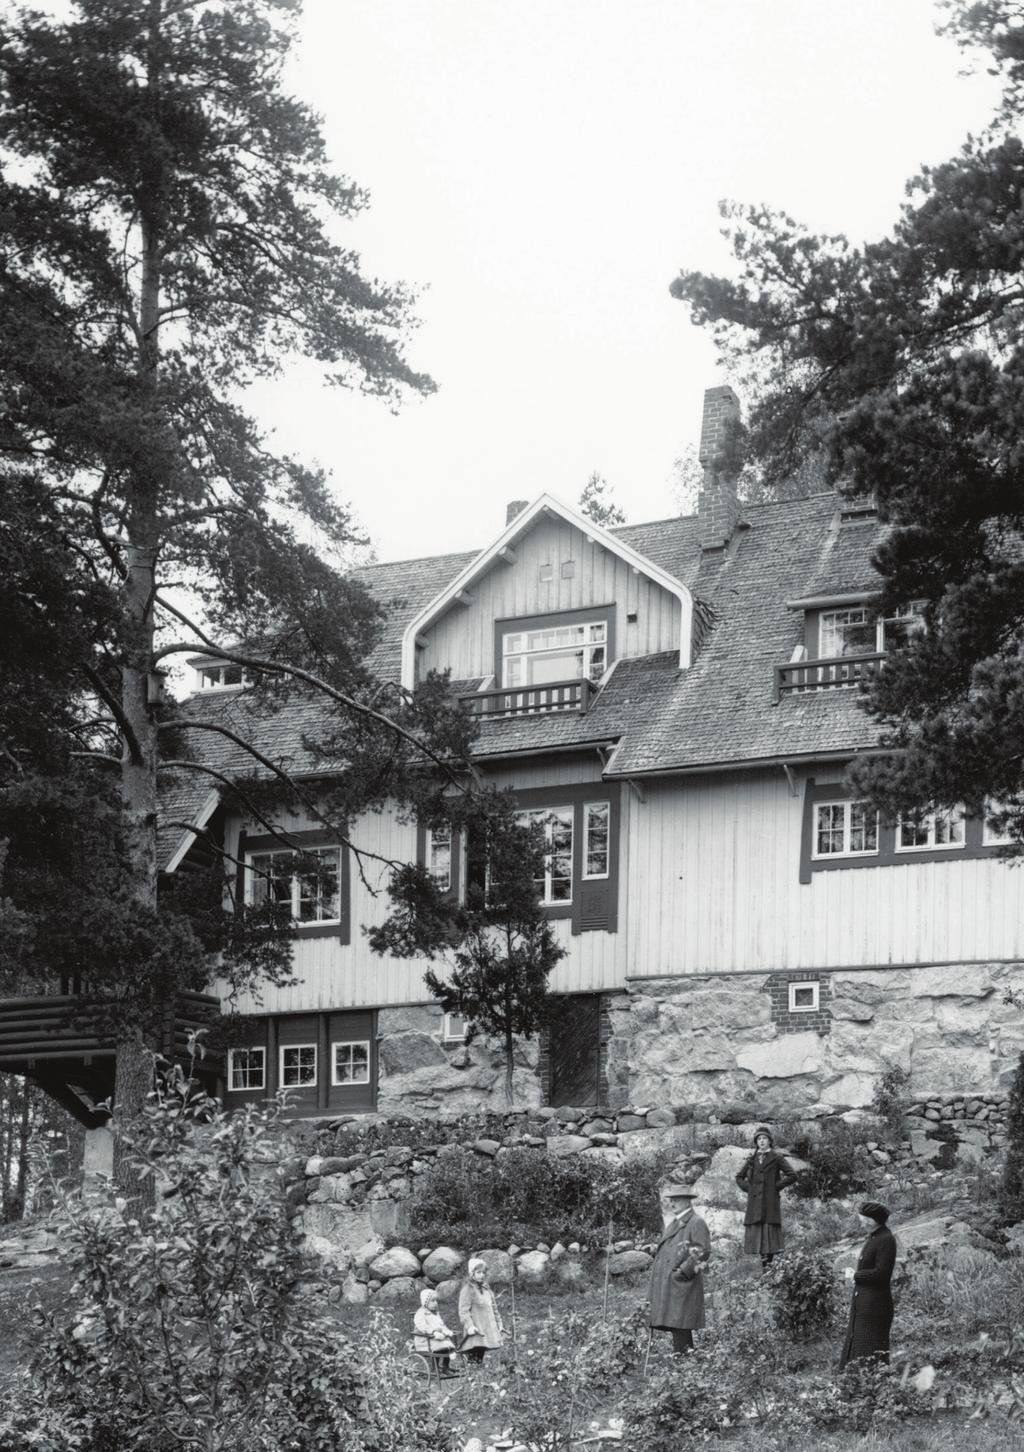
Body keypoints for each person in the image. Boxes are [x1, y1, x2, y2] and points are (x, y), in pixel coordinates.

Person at [648, 1181, 712, 1356]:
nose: (672, 1203)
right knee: (676, 1320)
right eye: (671, 1200)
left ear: (687, 1201)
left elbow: (702, 1250)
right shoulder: (677, 1222)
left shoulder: (695, 1222)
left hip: (683, 1280)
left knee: (680, 1319)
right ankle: (683, 1357)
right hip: (671, 1280)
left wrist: (683, 1272)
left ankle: (684, 1358)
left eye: (676, 1200)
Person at [838, 1201, 897, 1371]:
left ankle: (871, 1387)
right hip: (865, 1302)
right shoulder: (874, 1237)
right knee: (858, 1343)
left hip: (875, 1305)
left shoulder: (886, 1239)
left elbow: (882, 1274)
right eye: (862, 1218)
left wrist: (855, 1275)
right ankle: (854, 1384)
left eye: (865, 1219)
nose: (862, 1222)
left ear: (875, 1220)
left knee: (870, 1346)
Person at [735, 1125, 800, 1270]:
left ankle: (769, 1271)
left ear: (770, 1141)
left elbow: (792, 1175)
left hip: (770, 1203)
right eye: (759, 1139)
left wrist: (775, 1187)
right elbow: (739, 1177)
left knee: (769, 1239)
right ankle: (766, 1272)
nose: (762, 1141)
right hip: (755, 1205)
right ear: (756, 1142)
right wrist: (749, 1188)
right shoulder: (752, 1158)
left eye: (764, 1138)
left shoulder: (776, 1157)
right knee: (759, 1239)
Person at [458, 1257, 504, 1365]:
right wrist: (469, 1325)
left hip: (486, 1329)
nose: (482, 1275)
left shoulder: (486, 1289)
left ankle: (477, 1375)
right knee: (475, 1353)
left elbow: (494, 1308)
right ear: (472, 1274)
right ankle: (472, 1375)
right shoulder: (468, 1290)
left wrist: (499, 1324)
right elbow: (463, 1310)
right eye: (478, 1272)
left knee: (481, 1353)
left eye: (483, 1272)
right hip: (475, 1328)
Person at [413, 1287, 458, 1378]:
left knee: (449, 1346)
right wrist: (433, 1332)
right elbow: (422, 1326)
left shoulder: (435, 1313)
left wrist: (446, 1331)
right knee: (440, 1347)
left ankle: (445, 1367)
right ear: (425, 1302)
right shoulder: (421, 1313)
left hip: (436, 1339)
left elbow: (441, 1325)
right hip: (425, 1339)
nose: (435, 1303)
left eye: (436, 1301)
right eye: (432, 1301)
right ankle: (435, 1368)